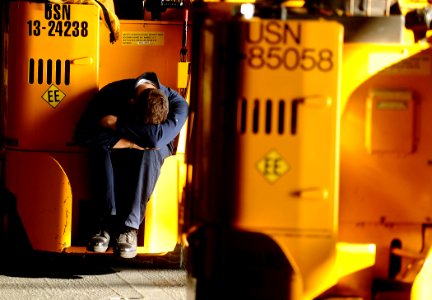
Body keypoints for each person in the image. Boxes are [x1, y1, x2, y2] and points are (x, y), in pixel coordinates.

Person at [74, 72, 188, 258]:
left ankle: (129, 228)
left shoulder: (178, 104)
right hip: (115, 144)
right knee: (101, 146)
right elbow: (82, 134)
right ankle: (104, 223)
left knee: (153, 151)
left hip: (152, 152)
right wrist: (128, 142)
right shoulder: (111, 93)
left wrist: (117, 123)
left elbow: (155, 139)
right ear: (131, 102)